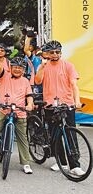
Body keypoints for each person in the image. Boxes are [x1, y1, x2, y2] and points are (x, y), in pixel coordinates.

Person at [34, 40, 85, 176]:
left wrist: (77, 101)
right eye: (52, 52)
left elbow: (74, 85)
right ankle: (61, 161)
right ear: (47, 54)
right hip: (50, 104)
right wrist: (42, 67)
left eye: (57, 52)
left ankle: (74, 165)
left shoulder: (68, 65)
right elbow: (37, 81)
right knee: (55, 135)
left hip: (66, 104)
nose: (55, 54)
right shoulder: (44, 66)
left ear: (61, 53)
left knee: (71, 134)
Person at [0, 52, 34, 174]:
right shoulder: (5, 75)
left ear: (23, 70)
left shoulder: (25, 81)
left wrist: (29, 105)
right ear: (11, 67)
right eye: (15, 67)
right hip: (4, 110)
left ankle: (25, 163)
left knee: (22, 138)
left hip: (20, 112)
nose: (17, 69)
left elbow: (29, 95)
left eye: (20, 68)